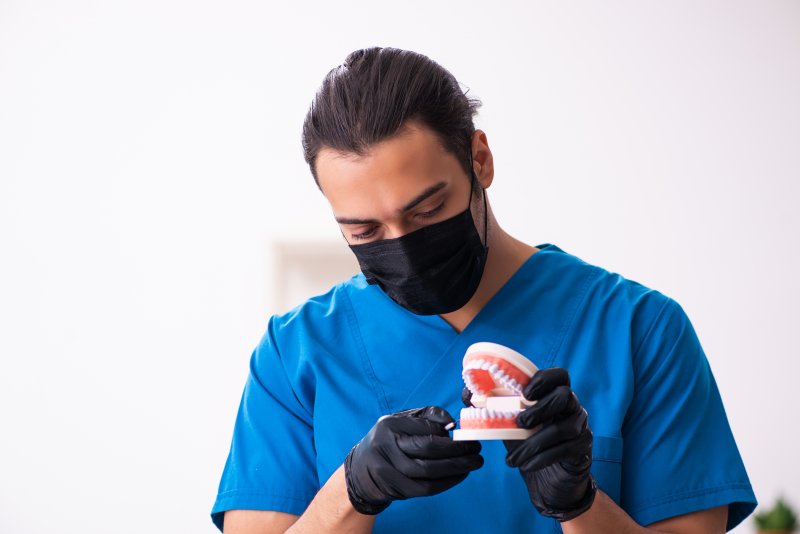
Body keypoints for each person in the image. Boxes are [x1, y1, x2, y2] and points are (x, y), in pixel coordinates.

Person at [210, 47, 757, 533]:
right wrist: (352, 490)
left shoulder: (640, 330)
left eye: (427, 210)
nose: (402, 246)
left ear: (480, 160)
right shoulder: (295, 353)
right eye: (365, 232)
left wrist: (581, 503)